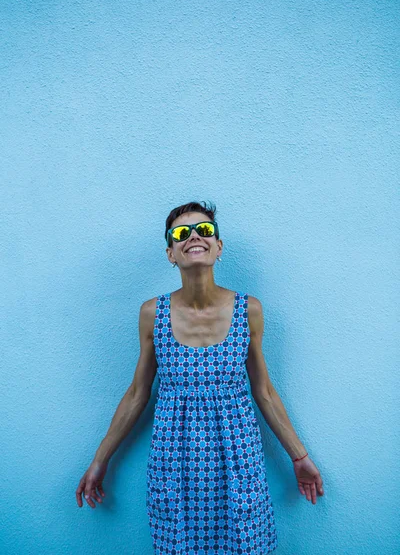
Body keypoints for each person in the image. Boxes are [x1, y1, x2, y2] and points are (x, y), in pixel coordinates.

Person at [76, 200, 324, 554]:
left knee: (245, 542)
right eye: (181, 233)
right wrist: (100, 459)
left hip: (238, 457)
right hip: (174, 461)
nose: (194, 236)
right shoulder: (152, 314)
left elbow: (264, 391)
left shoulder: (248, 310)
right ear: (170, 252)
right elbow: (137, 394)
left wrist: (299, 457)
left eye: (205, 230)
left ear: (219, 247)